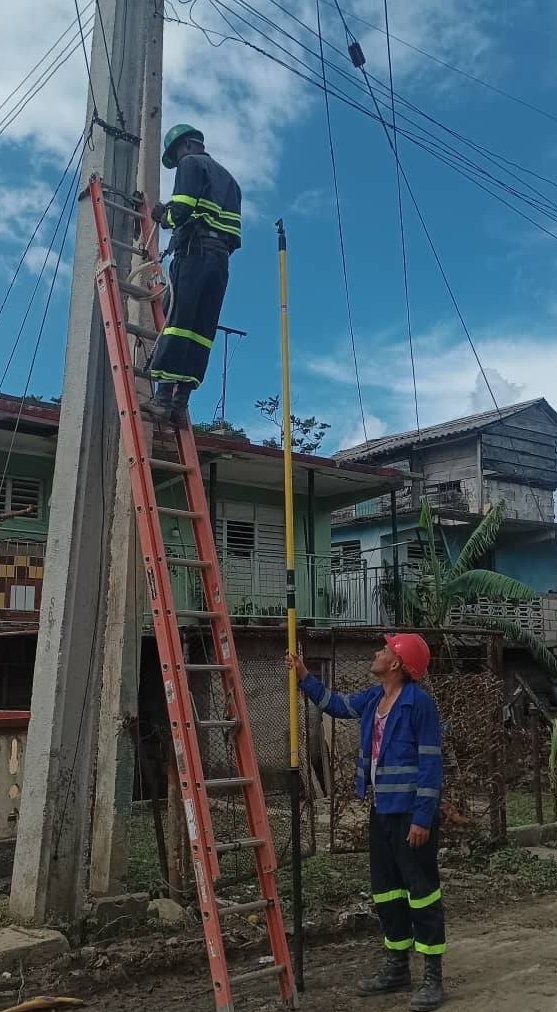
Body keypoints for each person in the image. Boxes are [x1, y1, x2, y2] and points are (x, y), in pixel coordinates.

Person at [287, 633, 445, 1011]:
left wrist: (422, 818)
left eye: (385, 649)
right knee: (387, 892)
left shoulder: (418, 705)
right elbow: (337, 705)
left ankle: (432, 977)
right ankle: (396, 967)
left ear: (396, 664)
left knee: (421, 894)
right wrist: (304, 675)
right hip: (382, 811)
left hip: (411, 814)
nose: (378, 651)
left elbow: (430, 765)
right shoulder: (375, 699)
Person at [142, 124, 242, 427]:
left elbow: (181, 212)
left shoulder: (190, 164)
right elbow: (233, 233)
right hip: (220, 261)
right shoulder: (231, 182)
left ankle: (162, 398)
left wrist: (164, 216)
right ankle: (180, 401)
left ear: (184, 146)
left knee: (177, 324)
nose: (177, 160)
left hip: (195, 255)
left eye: (175, 154)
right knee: (200, 331)